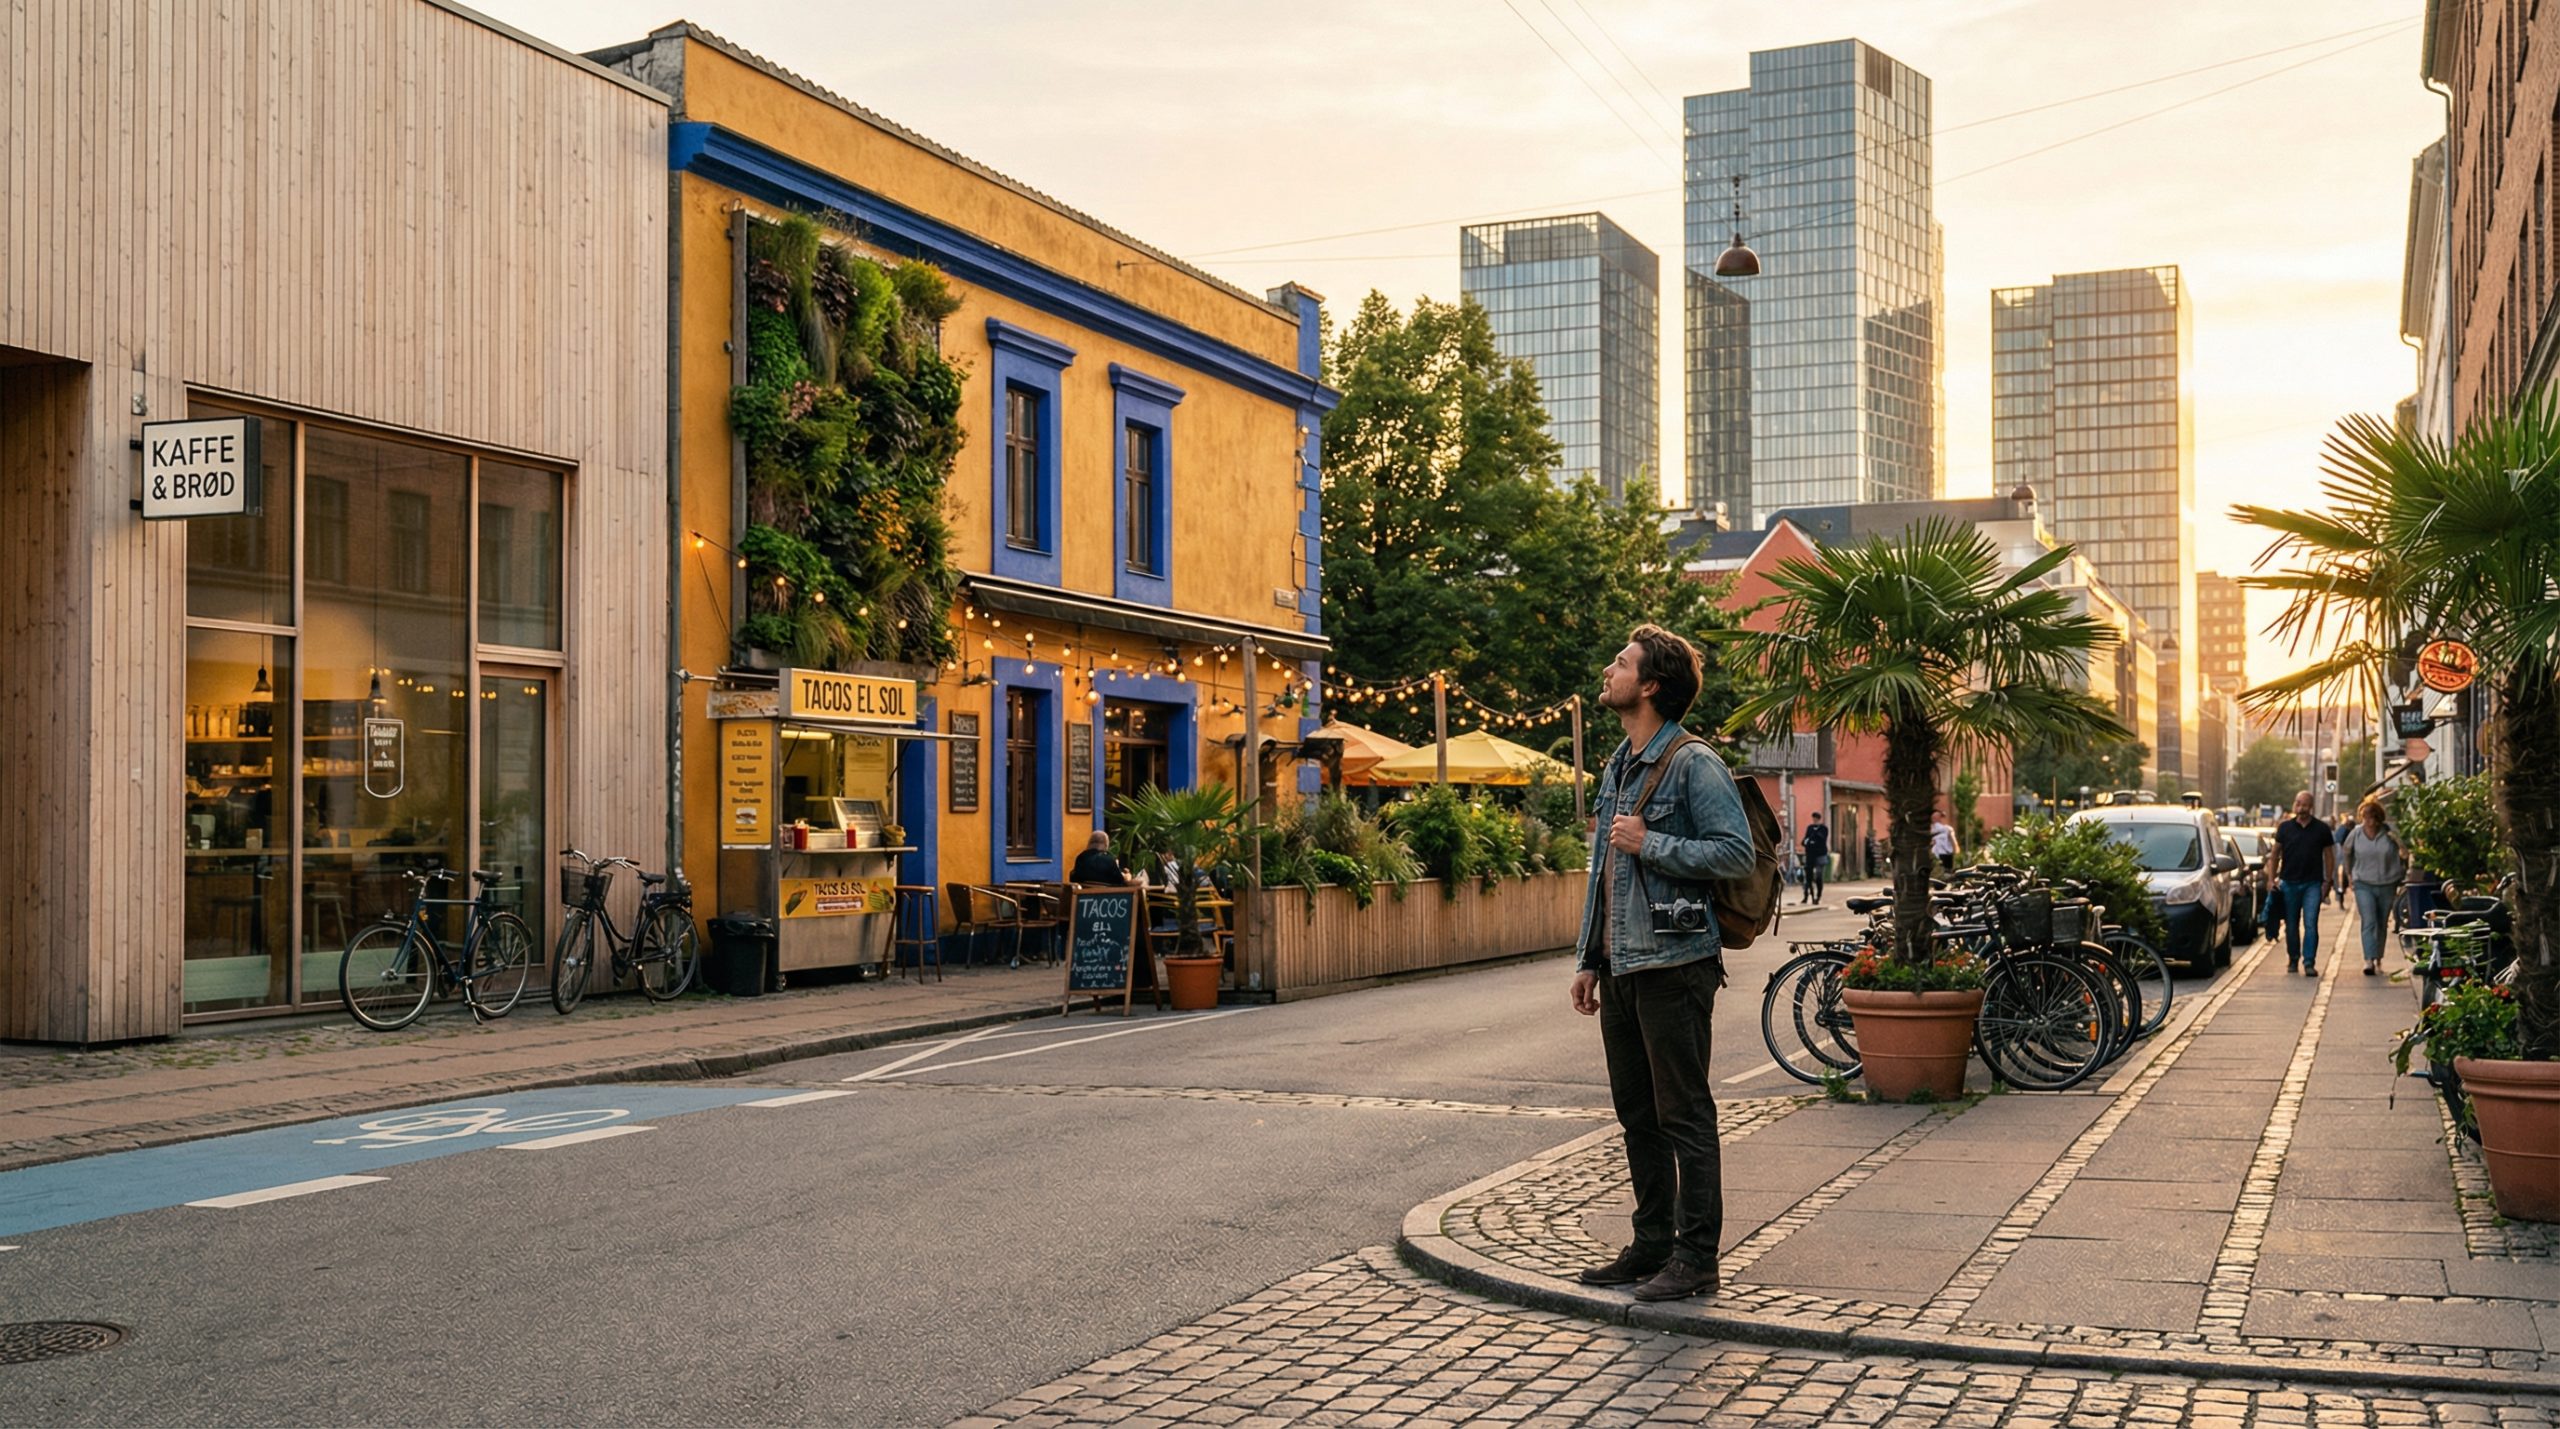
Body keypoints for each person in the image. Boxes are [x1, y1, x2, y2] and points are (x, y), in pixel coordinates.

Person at [1568, 625, 1755, 1305]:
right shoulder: (1620, 762)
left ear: (1650, 684)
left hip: (1677, 962)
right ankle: (1650, 1244)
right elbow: (1602, 870)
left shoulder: (1691, 761)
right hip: (1622, 966)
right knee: (1636, 1113)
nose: (1609, 669)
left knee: (1684, 1113)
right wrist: (1591, 955)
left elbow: (1736, 854)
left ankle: (1696, 1255)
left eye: (1622, 662)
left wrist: (1655, 843)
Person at [2267, 790, 2337, 977]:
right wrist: (2271, 878)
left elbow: (2329, 855)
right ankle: (2293, 958)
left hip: (2312, 884)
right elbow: (2274, 855)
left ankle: (2309, 962)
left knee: (2311, 923)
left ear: (2311, 806)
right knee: (2291, 924)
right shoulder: (2285, 828)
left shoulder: (2321, 829)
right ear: (2294, 805)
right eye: (2298, 804)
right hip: (2289, 882)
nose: (2301, 808)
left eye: (2305, 804)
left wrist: (2328, 881)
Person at [2337, 798, 2405, 978]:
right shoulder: (2356, 834)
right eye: (2365, 816)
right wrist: (2350, 875)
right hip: (2363, 883)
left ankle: (2378, 957)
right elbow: (2346, 852)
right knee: (2369, 921)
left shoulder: (2389, 833)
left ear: (2378, 818)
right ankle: (2368, 959)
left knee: (2382, 921)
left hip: (2387, 882)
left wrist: (2398, 842)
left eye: (2372, 816)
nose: (2368, 820)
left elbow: (2404, 853)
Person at [1798, 811, 1830, 906]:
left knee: (1819, 876)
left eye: (1816, 818)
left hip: (1820, 855)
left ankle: (1818, 896)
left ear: (1819, 819)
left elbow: (1822, 838)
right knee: (1808, 877)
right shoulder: (1810, 828)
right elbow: (1805, 839)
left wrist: (1813, 838)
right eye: (1814, 818)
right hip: (1810, 855)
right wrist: (1807, 841)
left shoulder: (1823, 828)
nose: (1815, 820)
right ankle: (1807, 896)